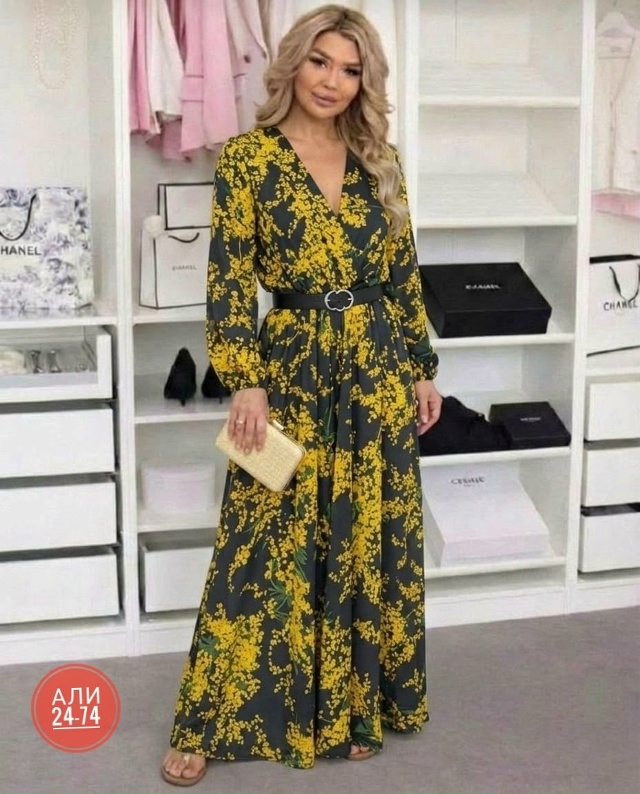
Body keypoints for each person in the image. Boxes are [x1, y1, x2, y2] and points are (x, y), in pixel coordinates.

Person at [161, 4, 441, 785]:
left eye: (351, 70)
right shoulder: (249, 159)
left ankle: (350, 709)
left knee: (367, 539)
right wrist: (243, 378)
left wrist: (421, 365)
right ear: (293, 63)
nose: (332, 81)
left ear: (365, 82)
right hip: (289, 369)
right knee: (257, 538)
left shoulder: (380, 159)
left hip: (377, 366)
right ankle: (206, 720)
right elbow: (227, 282)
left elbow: (401, 272)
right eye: (321, 61)